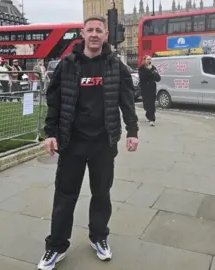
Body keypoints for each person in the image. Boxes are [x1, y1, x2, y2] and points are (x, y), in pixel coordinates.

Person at [37, 15, 139, 270]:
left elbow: (126, 99)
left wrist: (132, 130)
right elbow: (54, 100)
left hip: (103, 143)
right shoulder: (68, 64)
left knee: (101, 195)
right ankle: (56, 247)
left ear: (106, 35)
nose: (94, 34)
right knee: (64, 197)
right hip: (72, 143)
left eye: (99, 30)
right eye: (90, 30)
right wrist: (50, 133)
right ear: (82, 34)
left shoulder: (115, 65)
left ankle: (99, 237)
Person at [138, 55, 161, 126]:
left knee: (152, 105)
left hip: (152, 88)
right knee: (147, 105)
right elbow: (143, 77)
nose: (149, 61)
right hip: (145, 89)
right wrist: (149, 70)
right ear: (144, 60)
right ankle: (148, 114)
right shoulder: (141, 68)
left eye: (150, 59)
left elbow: (158, 78)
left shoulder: (153, 68)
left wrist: (152, 71)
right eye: (148, 59)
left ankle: (152, 119)